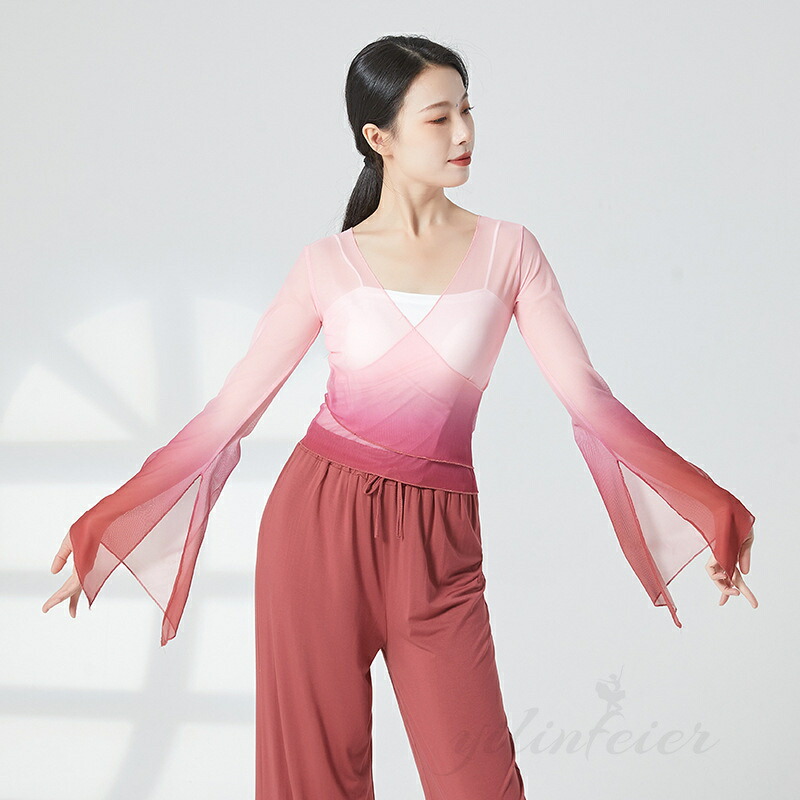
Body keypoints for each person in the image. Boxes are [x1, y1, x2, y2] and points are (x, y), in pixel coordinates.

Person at [42, 35, 757, 800]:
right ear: (378, 138)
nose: (464, 133)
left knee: (479, 785)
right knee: (313, 783)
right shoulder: (326, 264)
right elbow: (229, 414)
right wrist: (108, 524)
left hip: (441, 544)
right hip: (316, 527)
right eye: (439, 118)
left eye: (468, 111)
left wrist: (709, 508)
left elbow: (589, 400)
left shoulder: (511, 251)